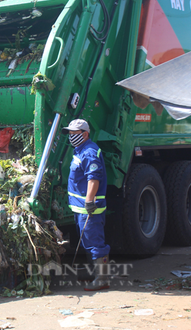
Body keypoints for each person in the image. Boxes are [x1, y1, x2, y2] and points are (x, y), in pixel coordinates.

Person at [61, 119, 110, 291]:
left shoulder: (89, 152)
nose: (71, 137)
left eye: (75, 134)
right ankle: (94, 273)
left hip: (88, 208)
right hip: (80, 208)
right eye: (70, 133)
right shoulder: (79, 150)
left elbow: (93, 178)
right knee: (87, 241)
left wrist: (89, 201)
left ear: (85, 134)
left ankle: (102, 278)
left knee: (94, 242)